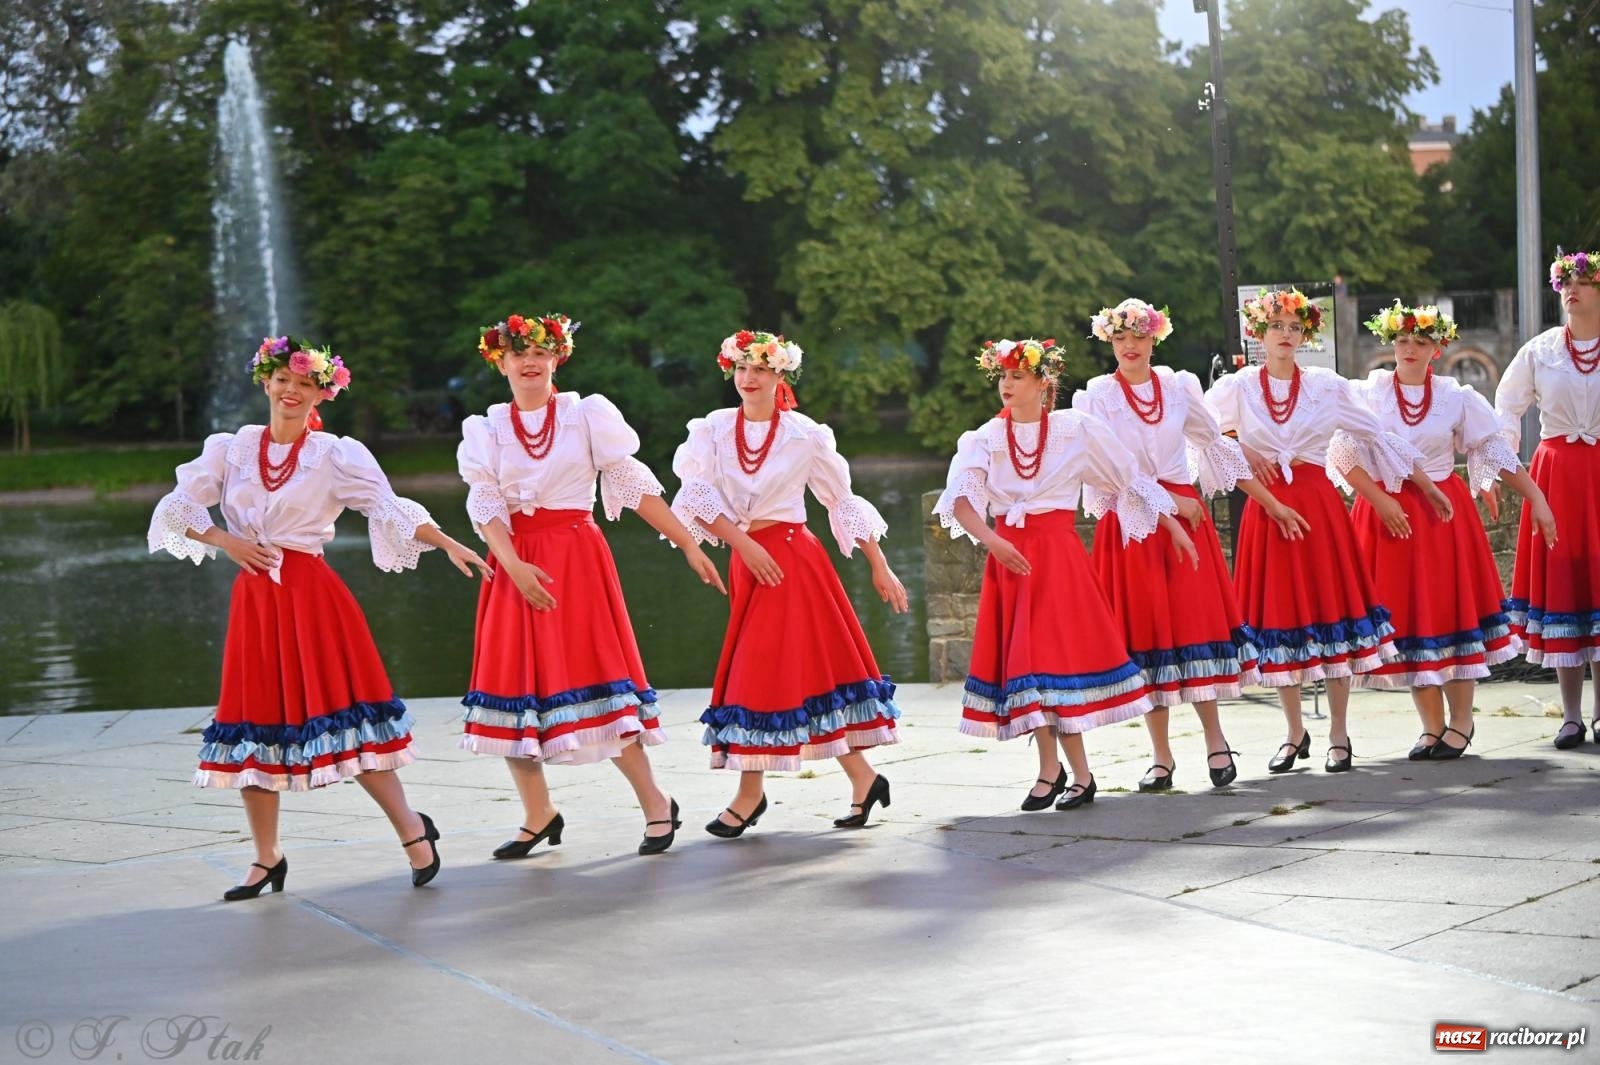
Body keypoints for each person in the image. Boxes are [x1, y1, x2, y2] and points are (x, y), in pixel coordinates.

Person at [147, 336, 490, 899]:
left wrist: (448, 542)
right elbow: (176, 508)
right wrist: (225, 540)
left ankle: (411, 828)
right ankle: (265, 858)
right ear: (267, 383)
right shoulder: (231, 449)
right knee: (249, 723)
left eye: (304, 385)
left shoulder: (335, 454)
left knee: (347, 719)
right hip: (255, 599)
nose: (290, 392)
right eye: (282, 381)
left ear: (320, 394)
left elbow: (388, 507)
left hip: (312, 596)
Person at [457, 313, 727, 858]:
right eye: (518, 354)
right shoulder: (484, 428)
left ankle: (655, 802)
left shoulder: (585, 415)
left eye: (541, 353)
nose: (530, 362)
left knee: (599, 678)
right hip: (515, 563)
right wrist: (511, 565)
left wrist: (691, 543)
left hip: (575, 559)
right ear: (501, 362)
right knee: (514, 691)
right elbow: (485, 503)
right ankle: (538, 813)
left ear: (557, 358)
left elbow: (632, 483)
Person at [933, 336, 1199, 811]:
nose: (1007, 385)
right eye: (1003, 377)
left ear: (1041, 382)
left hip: (1058, 558)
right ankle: (1051, 769)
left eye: (1017, 376)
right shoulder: (984, 438)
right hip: (1011, 558)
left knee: (1057, 663)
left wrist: (1173, 524)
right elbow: (961, 502)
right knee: (1029, 666)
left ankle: (1076, 772)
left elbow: (1128, 479)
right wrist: (994, 541)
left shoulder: (1075, 430)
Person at [671, 329, 908, 837]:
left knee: (768, 671)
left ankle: (749, 795)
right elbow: (693, 495)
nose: (749, 378)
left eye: (760, 369)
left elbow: (839, 499)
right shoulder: (712, 430)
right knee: (790, 672)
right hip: (750, 559)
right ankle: (864, 779)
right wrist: (743, 543)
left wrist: (878, 562)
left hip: (793, 562)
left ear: (781, 375)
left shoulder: (805, 434)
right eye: (741, 369)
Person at [1207, 289, 1451, 774]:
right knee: (1280, 621)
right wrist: (1242, 448)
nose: (1284, 335)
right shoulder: (1237, 387)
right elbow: (1201, 434)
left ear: (1305, 335)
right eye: (1276, 326)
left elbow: (1376, 434)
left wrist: (1425, 484)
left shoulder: (1324, 384)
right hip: (1267, 509)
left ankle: (1339, 733)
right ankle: (1295, 731)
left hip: (1319, 506)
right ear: (1259, 333)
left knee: (1333, 617)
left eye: (1294, 328)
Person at [1075, 299, 1309, 790]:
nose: (1130, 346)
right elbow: (1106, 464)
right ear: (1110, 342)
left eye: (1139, 336)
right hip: (1133, 522)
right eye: (1120, 338)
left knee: (1194, 629)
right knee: (1147, 639)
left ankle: (1216, 742)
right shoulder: (1096, 396)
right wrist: (1167, 504)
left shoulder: (1179, 386)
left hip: (1185, 512)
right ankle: (1160, 757)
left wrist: (1268, 499)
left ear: (1154, 339)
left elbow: (1215, 442)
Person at [1336, 302, 1556, 760]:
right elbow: (1343, 456)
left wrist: (1535, 495)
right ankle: (1430, 725)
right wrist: (1379, 500)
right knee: (1410, 620)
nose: (1410, 349)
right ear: (1391, 343)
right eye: (1402, 340)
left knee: (1450, 614)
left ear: (1437, 348)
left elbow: (1492, 449)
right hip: (1387, 515)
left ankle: (1460, 720)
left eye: (1421, 341)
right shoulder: (1371, 393)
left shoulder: (1456, 396)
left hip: (1442, 516)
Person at [1494, 249, 1600, 749]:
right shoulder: (1539, 351)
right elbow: (1504, 410)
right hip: (1556, 474)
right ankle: (1572, 716)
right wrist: (1502, 469)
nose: (1572, 289)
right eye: (1565, 281)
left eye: (1583, 280)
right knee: (1565, 586)